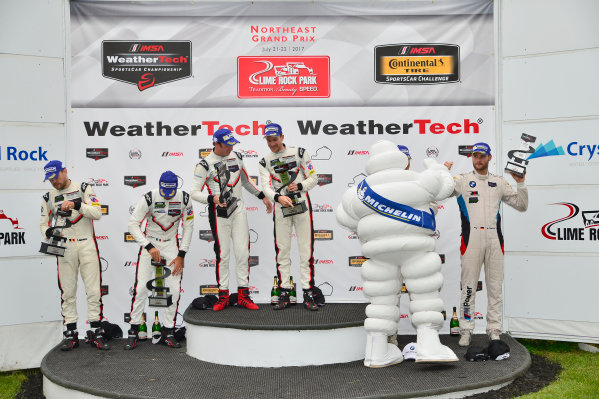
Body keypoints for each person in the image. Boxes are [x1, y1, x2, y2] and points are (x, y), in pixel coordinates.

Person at [336, 140, 458, 366]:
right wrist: (437, 168)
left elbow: (345, 217)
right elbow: (445, 186)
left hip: (379, 252)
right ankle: (429, 345)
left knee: (380, 300)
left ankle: (376, 351)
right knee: (424, 294)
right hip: (415, 249)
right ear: (400, 159)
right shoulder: (418, 179)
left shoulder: (358, 192)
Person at [445, 142, 528, 346]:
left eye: (482, 156)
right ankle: (466, 330)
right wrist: (442, 172)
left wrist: (521, 183)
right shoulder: (462, 180)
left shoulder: (499, 182)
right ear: (471, 158)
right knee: (468, 288)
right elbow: (440, 191)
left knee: (494, 288)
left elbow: (521, 205)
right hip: (471, 238)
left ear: (490, 158)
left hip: (494, 239)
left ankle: (494, 330)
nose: (478, 160)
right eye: (475, 156)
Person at [191, 128, 272, 311]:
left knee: (243, 252)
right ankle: (223, 296)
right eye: (227, 145)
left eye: (232, 144)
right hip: (219, 213)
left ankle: (243, 296)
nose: (231, 148)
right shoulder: (205, 164)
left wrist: (262, 196)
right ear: (216, 144)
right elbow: (193, 193)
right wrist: (213, 199)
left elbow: (244, 181)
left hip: (238, 210)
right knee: (223, 255)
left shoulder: (236, 156)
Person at [39, 160, 108, 351]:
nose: (54, 182)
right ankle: (71, 334)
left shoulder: (84, 188)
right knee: (67, 292)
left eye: (56, 177)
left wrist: (78, 204)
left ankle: (96, 331)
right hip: (64, 248)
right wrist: (49, 232)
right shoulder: (48, 197)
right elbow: (43, 224)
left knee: (93, 290)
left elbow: (97, 212)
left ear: (65, 171)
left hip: (86, 244)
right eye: (50, 179)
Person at [125, 171, 194, 350]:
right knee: (141, 289)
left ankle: (168, 331)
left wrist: (182, 254)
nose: (168, 195)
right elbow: (133, 224)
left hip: (172, 246)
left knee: (174, 289)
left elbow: (189, 226)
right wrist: (148, 246)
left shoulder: (185, 199)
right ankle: (133, 331)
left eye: (171, 191)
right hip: (151, 243)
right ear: (160, 185)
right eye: (165, 191)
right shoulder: (149, 197)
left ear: (176, 187)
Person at [258, 122, 320, 311]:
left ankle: (308, 292)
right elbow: (266, 187)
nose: (272, 144)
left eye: (274, 140)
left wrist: (300, 186)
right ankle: (284, 291)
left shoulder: (299, 153)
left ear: (282, 137)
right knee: (282, 251)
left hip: (301, 206)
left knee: (305, 251)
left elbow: (314, 178)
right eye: (268, 140)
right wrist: (278, 197)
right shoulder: (264, 161)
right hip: (280, 208)